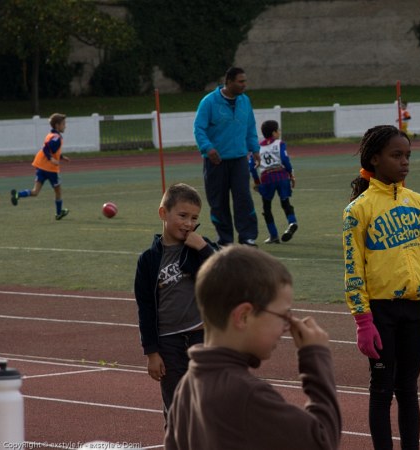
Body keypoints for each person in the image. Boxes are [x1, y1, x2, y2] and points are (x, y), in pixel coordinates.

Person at [164, 245, 342, 450]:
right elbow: (323, 441)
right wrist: (316, 357)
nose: (287, 327)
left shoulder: (188, 385)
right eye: (283, 316)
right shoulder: (247, 395)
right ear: (244, 316)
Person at [343, 125, 420, 450]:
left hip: (413, 311)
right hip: (380, 313)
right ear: (375, 158)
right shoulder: (357, 211)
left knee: (409, 389)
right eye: (396, 155)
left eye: (408, 156)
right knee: (382, 389)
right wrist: (363, 321)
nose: (404, 162)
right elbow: (353, 270)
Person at [134, 183, 218, 418]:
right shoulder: (148, 260)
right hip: (168, 343)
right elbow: (146, 308)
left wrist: (202, 247)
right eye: (182, 216)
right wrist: (151, 352)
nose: (189, 223)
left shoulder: (199, 249)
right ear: (163, 213)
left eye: (194, 218)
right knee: (176, 406)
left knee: (208, 401)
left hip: (201, 337)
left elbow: (224, 271)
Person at [194, 66, 260, 247]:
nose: (244, 85)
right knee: (218, 201)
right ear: (229, 82)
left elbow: (250, 127)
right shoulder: (209, 102)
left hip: (239, 159)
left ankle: (248, 237)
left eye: (245, 81)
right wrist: (208, 148)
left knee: (243, 198)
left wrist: (255, 149)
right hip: (216, 161)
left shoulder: (245, 101)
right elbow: (199, 128)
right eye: (241, 81)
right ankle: (225, 238)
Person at [10, 113, 71, 220]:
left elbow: (51, 150)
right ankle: (58, 213)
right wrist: (51, 159)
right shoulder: (57, 138)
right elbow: (47, 149)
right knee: (58, 191)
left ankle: (18, 195)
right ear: (57, 125)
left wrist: (60, 157)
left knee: (35, 192)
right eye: (63, 124)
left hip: (41, 167)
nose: (65, 126)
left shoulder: (51, 135)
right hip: (50, 169)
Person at [248, 120, 298, 244]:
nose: (279, 132)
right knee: (285, 202)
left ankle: (273, 235)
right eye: (278, 130)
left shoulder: (258, 147)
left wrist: (257, 181)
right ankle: (292, 222)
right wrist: (290, 174)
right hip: (281, 176)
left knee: (266, 207)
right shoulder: (279, 143)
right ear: (274, 132)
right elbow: (285, 159)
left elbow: (251, 166)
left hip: (267, 179)